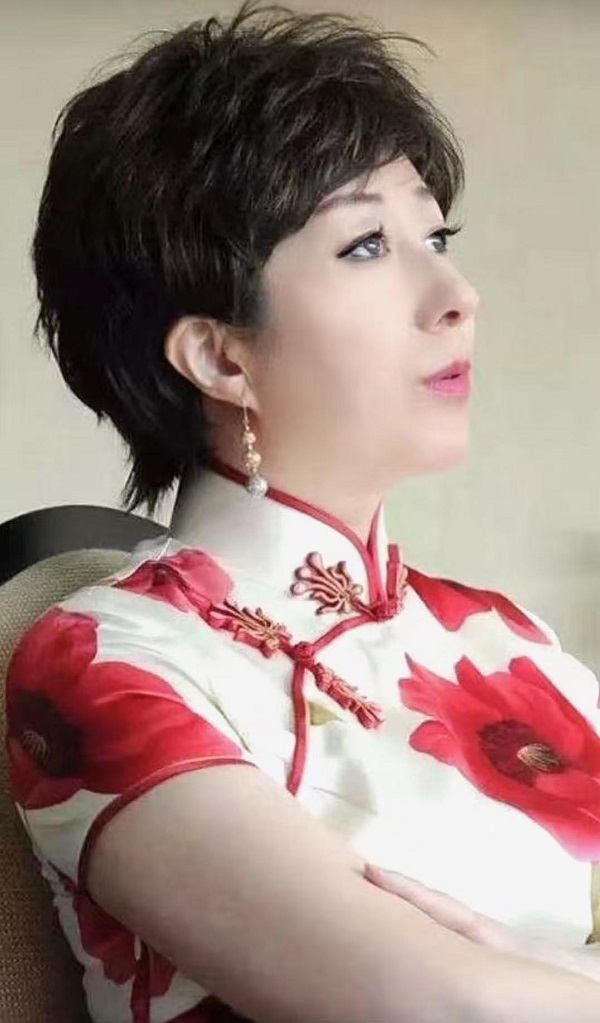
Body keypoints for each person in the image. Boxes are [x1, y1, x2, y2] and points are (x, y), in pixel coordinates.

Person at [6, 3, 600, 1021]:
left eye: (436, 236)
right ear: (220, 356)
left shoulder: (509, 640)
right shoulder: (107, 662)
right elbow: (441, 1009)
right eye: (367, 245)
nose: (457, 294)